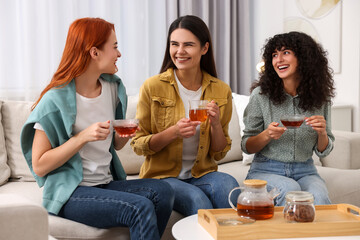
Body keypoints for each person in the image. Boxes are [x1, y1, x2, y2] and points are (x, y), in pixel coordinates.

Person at [20, 17, 174, 240]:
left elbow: (115, 145)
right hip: (72, 193)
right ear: (95, 52)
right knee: (139, 207)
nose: (119, 54)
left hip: (106, 183)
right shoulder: (54, 101)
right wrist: (82, 137)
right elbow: (40, 165)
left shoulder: (112, 88)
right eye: (115, 47)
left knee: (164, 191)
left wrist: (130, 131)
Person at [131, 15, 239, 217]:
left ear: (204, 48)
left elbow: (219, 152)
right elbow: (138, 144)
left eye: (188, 45)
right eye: (174, 44)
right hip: (163, 177)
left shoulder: (221, 89)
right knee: (198, 200)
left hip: (202, 174)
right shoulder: (152, 86)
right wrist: (173, 133)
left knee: (230, 188)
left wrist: (215, 124)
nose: (180, 52)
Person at [241, 31, 335, 206]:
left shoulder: (320, 98)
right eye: (274, 55)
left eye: (285, 53)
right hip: (266, 169)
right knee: (290, 190)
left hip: (306, 169)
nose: (278, 60)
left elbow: (324, 149)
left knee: (320, 196)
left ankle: (322, 234)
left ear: (304, 58)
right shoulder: (261, 95)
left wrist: (322, 133)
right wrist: (267, 135)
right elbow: (247, 145)